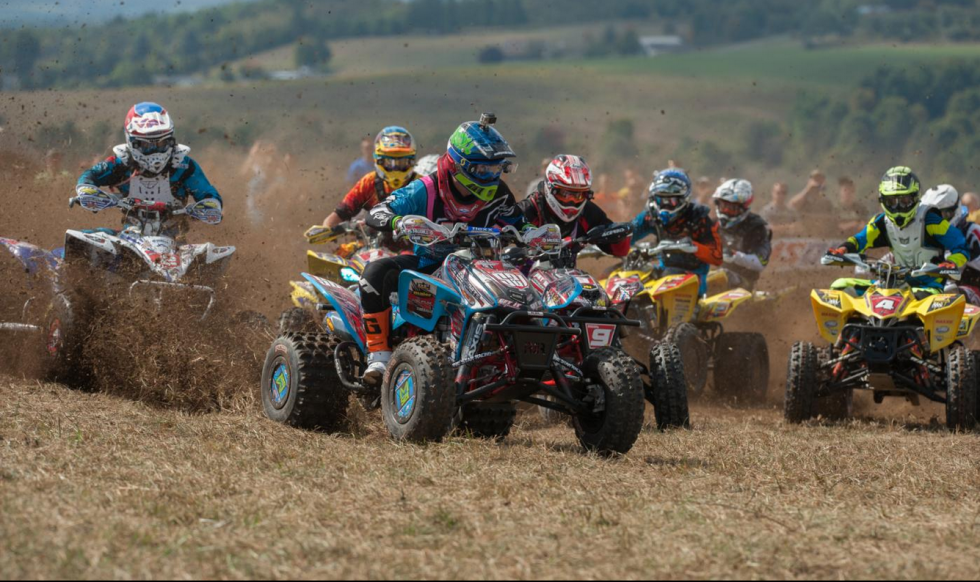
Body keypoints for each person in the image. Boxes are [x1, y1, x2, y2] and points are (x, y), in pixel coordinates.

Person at [359, 115, 529, 383]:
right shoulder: (425, 189)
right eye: (484, 170)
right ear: (458, 165)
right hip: (431, 265)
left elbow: (520, 224)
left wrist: (533, 234)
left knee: (529, 289)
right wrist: (397, 220)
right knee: (376, 271)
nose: (492, 176)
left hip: (482, 268)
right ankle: (378, 355)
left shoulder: (499, 193)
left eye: (497, 169)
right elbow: (378, 211)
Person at [828, 167, 968, 298]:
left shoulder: (930, 220)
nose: (898, 207)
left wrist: (951, 262)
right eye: (891, 201)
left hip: (928, 288)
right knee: (839, 287)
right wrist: (843, 249)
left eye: (904, 200)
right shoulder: (881, 222)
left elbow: (960, 246)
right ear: (883, 200)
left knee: (945, 296)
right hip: (893, 285)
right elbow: (860, 240)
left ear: (914, 198)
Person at [77, 102, 221, 218]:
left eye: (161, 143)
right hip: (129, 236)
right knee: (80, 241)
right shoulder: (122, 162)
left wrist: (211, 206)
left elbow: (207, 193)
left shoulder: (183, 165)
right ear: (131, 142)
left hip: (175, 240)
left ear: (171, 140)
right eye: (147, 145)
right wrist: (86, 190)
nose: (155, 151)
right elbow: (91, 174)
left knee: (211, 252)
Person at [518, 154, 631, 264]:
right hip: (525, 277)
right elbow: (502, 226)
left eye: (579, 195)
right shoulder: (530, 208)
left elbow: (620, 250)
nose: (572, 201)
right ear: (550, 188)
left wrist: (618, 237)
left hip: (565, 277)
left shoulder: (588, 211)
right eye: (566, 194)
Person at [631, 168, 724, 296]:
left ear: (683, 199)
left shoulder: (698, 217)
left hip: (693, 277)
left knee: (670, 273)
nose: (665, 205)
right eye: (660, 199)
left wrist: (694, 247)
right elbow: (629, 232)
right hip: (661, 271)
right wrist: (606, 241)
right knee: (622, 273)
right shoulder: (650, 216)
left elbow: (717, 256)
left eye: (671, 200)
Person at [323, 126, 417, 229]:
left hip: (415, 243)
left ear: (411, 161)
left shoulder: (421, 184)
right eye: (389, 162)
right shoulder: (368, 181)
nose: (395, 168)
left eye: (401, 162)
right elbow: (341, 212)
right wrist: (327, 227)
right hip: (371, 240)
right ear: (379, 160)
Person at [921, 184, 980, 304]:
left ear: (954, 211)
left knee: (952, 294)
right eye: (928, 216)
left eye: (939, 216)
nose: (934, 221)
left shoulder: (970, 231)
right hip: (930, 288)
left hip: (967, 288)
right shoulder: (923, 232)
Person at [712, 178, 772, 290]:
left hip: (743, 284)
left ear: (743, 208)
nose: (725, 211)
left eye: (731, 209)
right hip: (709, 276)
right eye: (723, 206)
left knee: (724, 275)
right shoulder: (712, 224)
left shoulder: (756, 228)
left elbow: (761, 262)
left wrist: (734, 256)